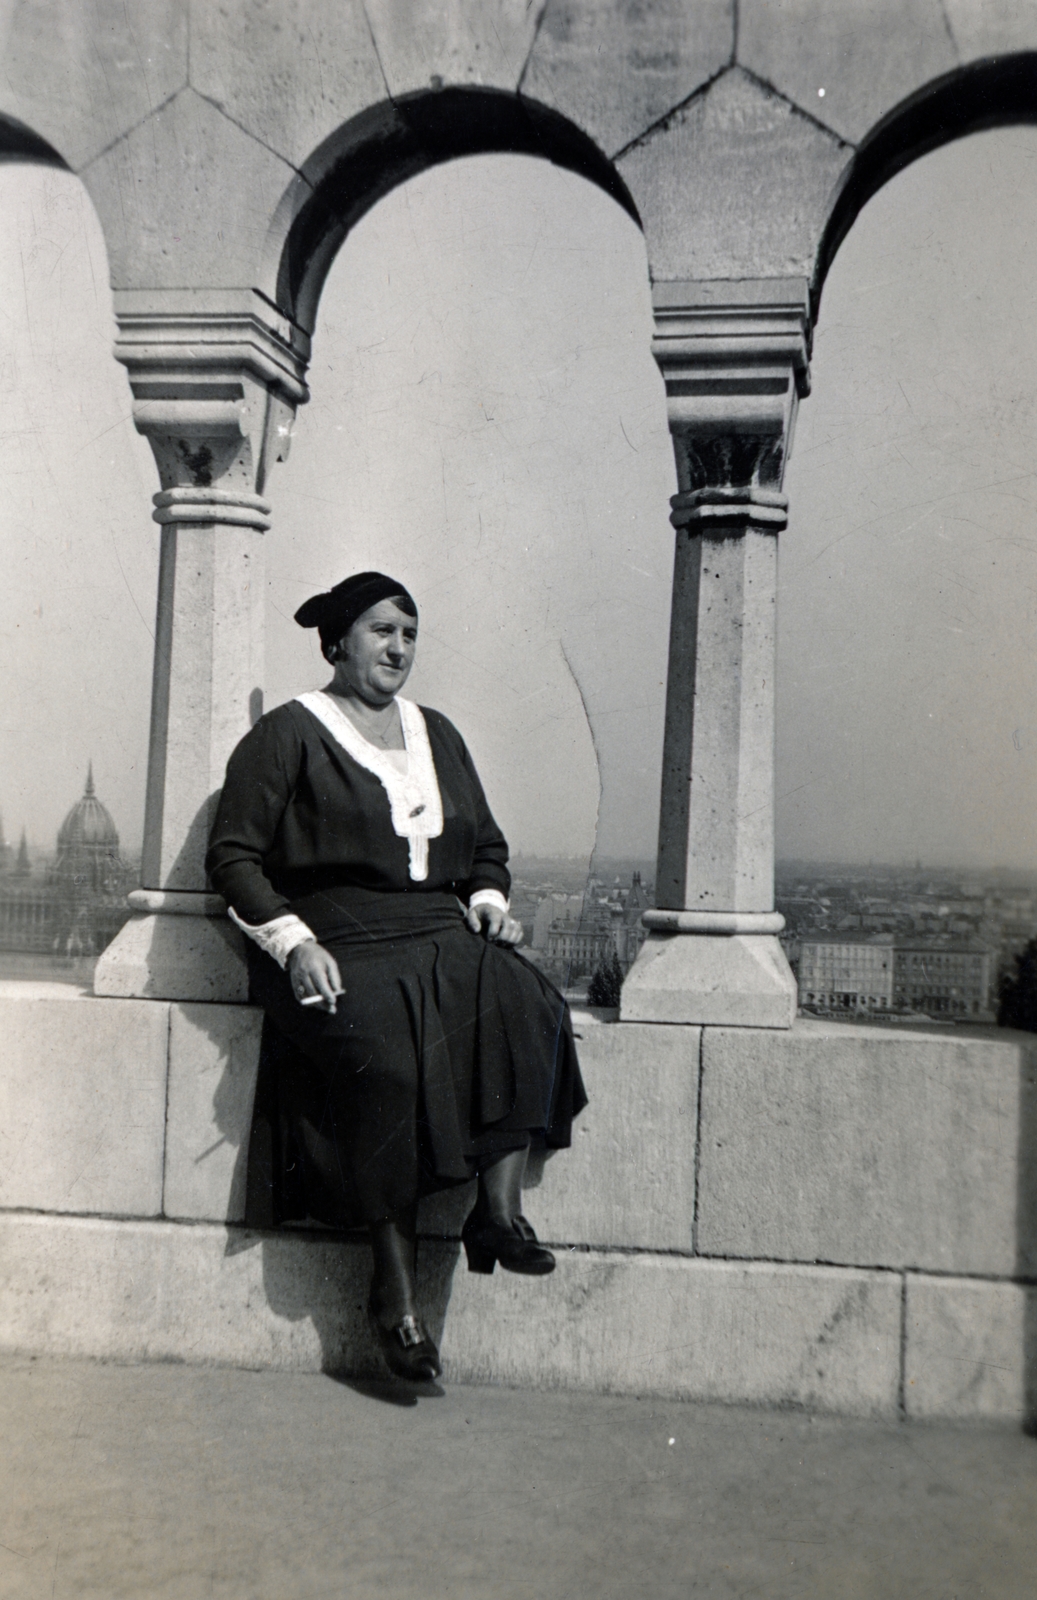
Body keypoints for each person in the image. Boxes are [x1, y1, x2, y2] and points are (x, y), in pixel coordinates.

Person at [206, 571, 586, 1382]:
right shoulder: (288, 733)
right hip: (332, 935)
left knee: (526, 1000)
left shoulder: (436, 732)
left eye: (410, 634)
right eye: (382, 631)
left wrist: (485, 898)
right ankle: (395, 1295)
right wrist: (291, 941)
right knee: (388, 1058)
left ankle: (497, 1215)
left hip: (435, 930)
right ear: (338, 640)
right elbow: (233, 856)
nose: (399, 648)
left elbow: (485, 843)